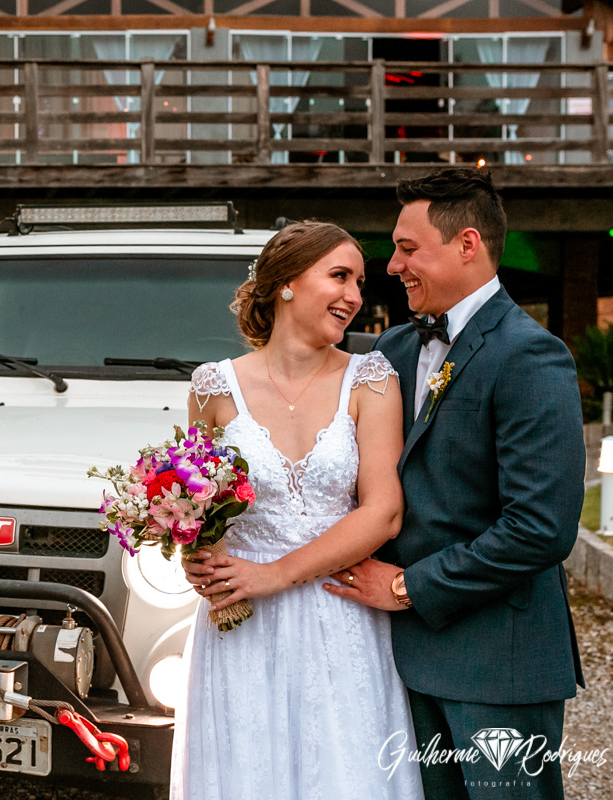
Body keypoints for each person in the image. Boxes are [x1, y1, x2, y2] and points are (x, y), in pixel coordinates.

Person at [324, 168, 585, 800]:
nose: (392, 266)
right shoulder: (389, 350)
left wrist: (409, 586)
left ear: (467, 244)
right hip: (399, 663)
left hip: (500, 663)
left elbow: (540, 529)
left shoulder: (532, 355)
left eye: (408, 248)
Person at [170, 221, 425, 800]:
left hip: (340, 612)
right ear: (285, 283)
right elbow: (196, 503)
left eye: (358, 281)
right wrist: (198, 555)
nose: (355, 296)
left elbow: (383, 512)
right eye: (339, 276)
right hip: (241, 625)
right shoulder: (212, 387)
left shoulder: (372, 379)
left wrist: (275, 575)